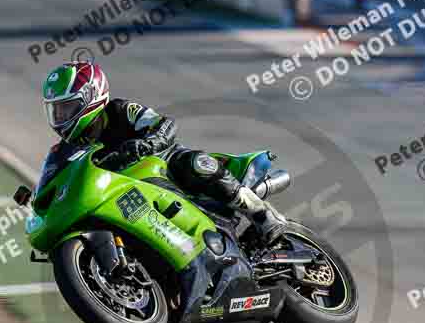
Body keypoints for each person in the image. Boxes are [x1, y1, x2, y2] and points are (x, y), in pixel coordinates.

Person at [41, 61, 287, 244]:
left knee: (197, 163)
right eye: (57, 111)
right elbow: (56, 176)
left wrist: (148, 143)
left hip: (161, 165)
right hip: (123, 191)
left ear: (90, 98)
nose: (61, 118)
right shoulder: (69, 148)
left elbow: (165, 125)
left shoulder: (119, 110)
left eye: (67, 108)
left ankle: (262, 214)